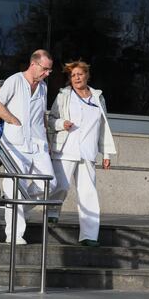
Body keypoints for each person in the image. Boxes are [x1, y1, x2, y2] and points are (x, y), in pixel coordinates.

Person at [0, 49, 57, 245]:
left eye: (49, 70)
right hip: (16, 143)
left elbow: (41, 115)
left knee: (50, 184)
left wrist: (48, 140)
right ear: (33, 64)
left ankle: (19, 208)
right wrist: (13, 120)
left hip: (38, 143)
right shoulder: (15, 80)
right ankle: (14, 234)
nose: (47, 73)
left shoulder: (43, 87)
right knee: (15, 188)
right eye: (45, 69)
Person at [48, 60, 117, 247]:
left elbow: (103, 126)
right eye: (73, 75)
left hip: (88, 152)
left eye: (79, 74)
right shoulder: (64, 95)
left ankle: (89, 235)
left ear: (87, 75)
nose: (76, 78)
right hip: (65, 148)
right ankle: (52, 212)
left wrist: (106, 154)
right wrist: (62, 124)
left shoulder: (98, 97)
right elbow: (50, 120)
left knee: (89, 194)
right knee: (60, 184)